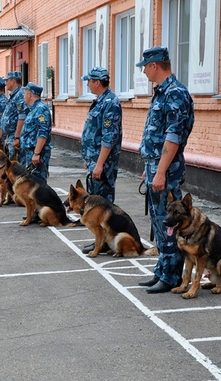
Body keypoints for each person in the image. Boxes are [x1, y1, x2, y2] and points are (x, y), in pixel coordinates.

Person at [136, 46, 194, 294]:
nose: (144, 72)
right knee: (159, 224)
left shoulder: (176, 94)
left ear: (154, 66)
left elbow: (172, 138)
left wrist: (160, 172)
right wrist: (149, 169)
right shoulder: (162, 92)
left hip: (166, 172)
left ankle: (171, 276)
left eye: (145, 67)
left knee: (169, 224)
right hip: (155, 168)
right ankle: (162, 270)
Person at [80, 67, 123, 253]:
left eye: (89, 81)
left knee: (103, 205)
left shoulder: (110, 103)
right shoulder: (100, 101)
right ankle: (101, 240)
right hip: (94, 162)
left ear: (97, 82)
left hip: (103, 165)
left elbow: (109, 138)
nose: (87, 84)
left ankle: (105, 241)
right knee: (96, 203)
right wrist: (89, 160)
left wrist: (98, 164)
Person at [19, 82, 52, 181]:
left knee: (38, 183)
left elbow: (43, 132)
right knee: (32, 182)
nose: (24, 96)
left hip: (37, 153)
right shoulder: (33, 109)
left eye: (25, 93)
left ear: (29, 94)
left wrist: (37, 153)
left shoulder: (40, 109)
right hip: (31, 151)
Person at [0, 71, 28, 160]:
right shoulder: (14, 95)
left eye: (7, 80)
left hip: (17, 135)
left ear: (13, 81)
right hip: (11, 135)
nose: (5, 83)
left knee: (17, 164)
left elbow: (22, 117)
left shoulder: (20, 95)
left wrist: (17, 137)